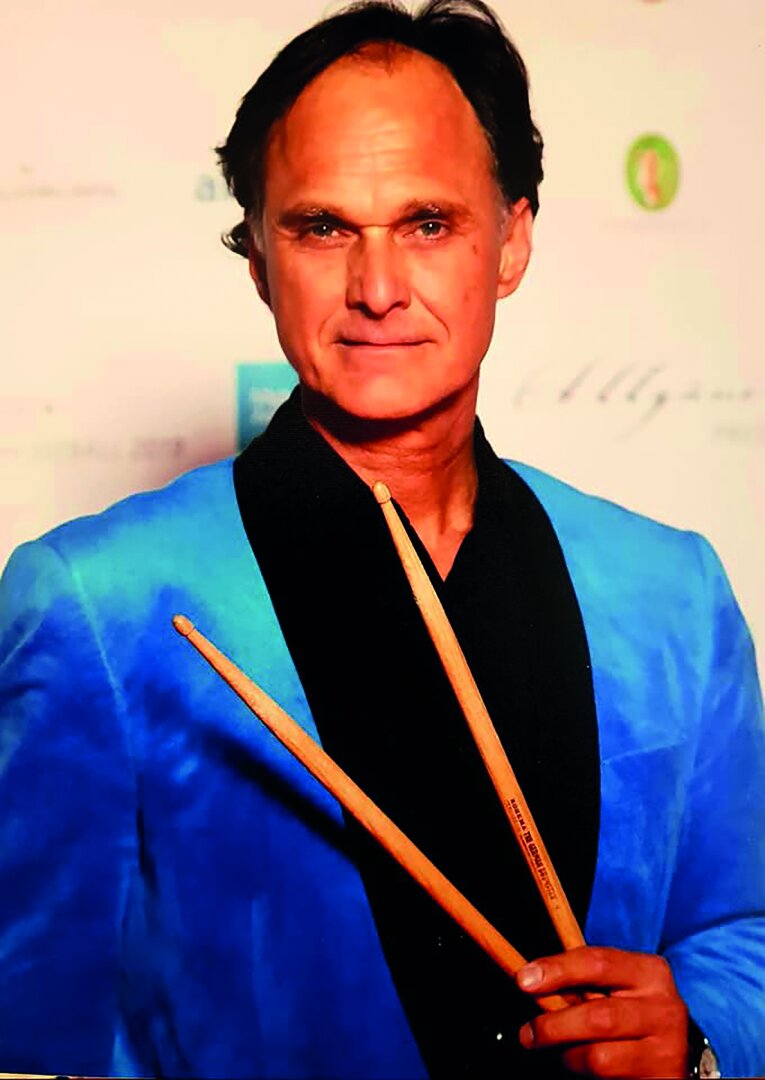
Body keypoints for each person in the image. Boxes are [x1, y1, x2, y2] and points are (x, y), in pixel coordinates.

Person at [0, 1, 762, 1077]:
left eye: (428, 224)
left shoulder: (669, 592)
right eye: (322, 228)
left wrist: (697, 1032)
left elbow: (742, 932)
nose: (377, 290)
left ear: (512, 240)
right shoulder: (98, 604)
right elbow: (29, 1034)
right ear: (258, 257)